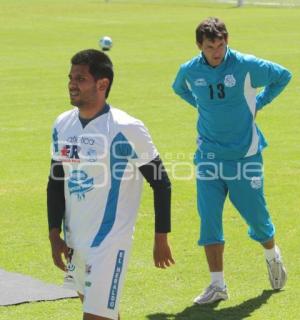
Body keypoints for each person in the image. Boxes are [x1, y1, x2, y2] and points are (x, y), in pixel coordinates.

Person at [47, 49, 175, 320]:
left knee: (95, 316)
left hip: (109, 242)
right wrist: (54, 234)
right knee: (103, 313)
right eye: (70, 77)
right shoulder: (62, 125)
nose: (72, 84)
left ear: (102, 84)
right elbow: (55, 182)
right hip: (74, 242)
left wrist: (161, 237)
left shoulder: (126, 128)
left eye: (80, 78)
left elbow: (161, 182)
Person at [172, 17, 291, 305]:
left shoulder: (245, 65)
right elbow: (179, 88)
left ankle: (272, 254)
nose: (217, 52)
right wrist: (202, 106)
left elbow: (283, 75)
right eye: (211, 46)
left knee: (258, 220)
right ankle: (217, 285)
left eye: (222, 45)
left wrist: (258, 103)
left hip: (244, 156)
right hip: (208, 157)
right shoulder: (189, 70)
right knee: (209, 221)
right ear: (200, 45)